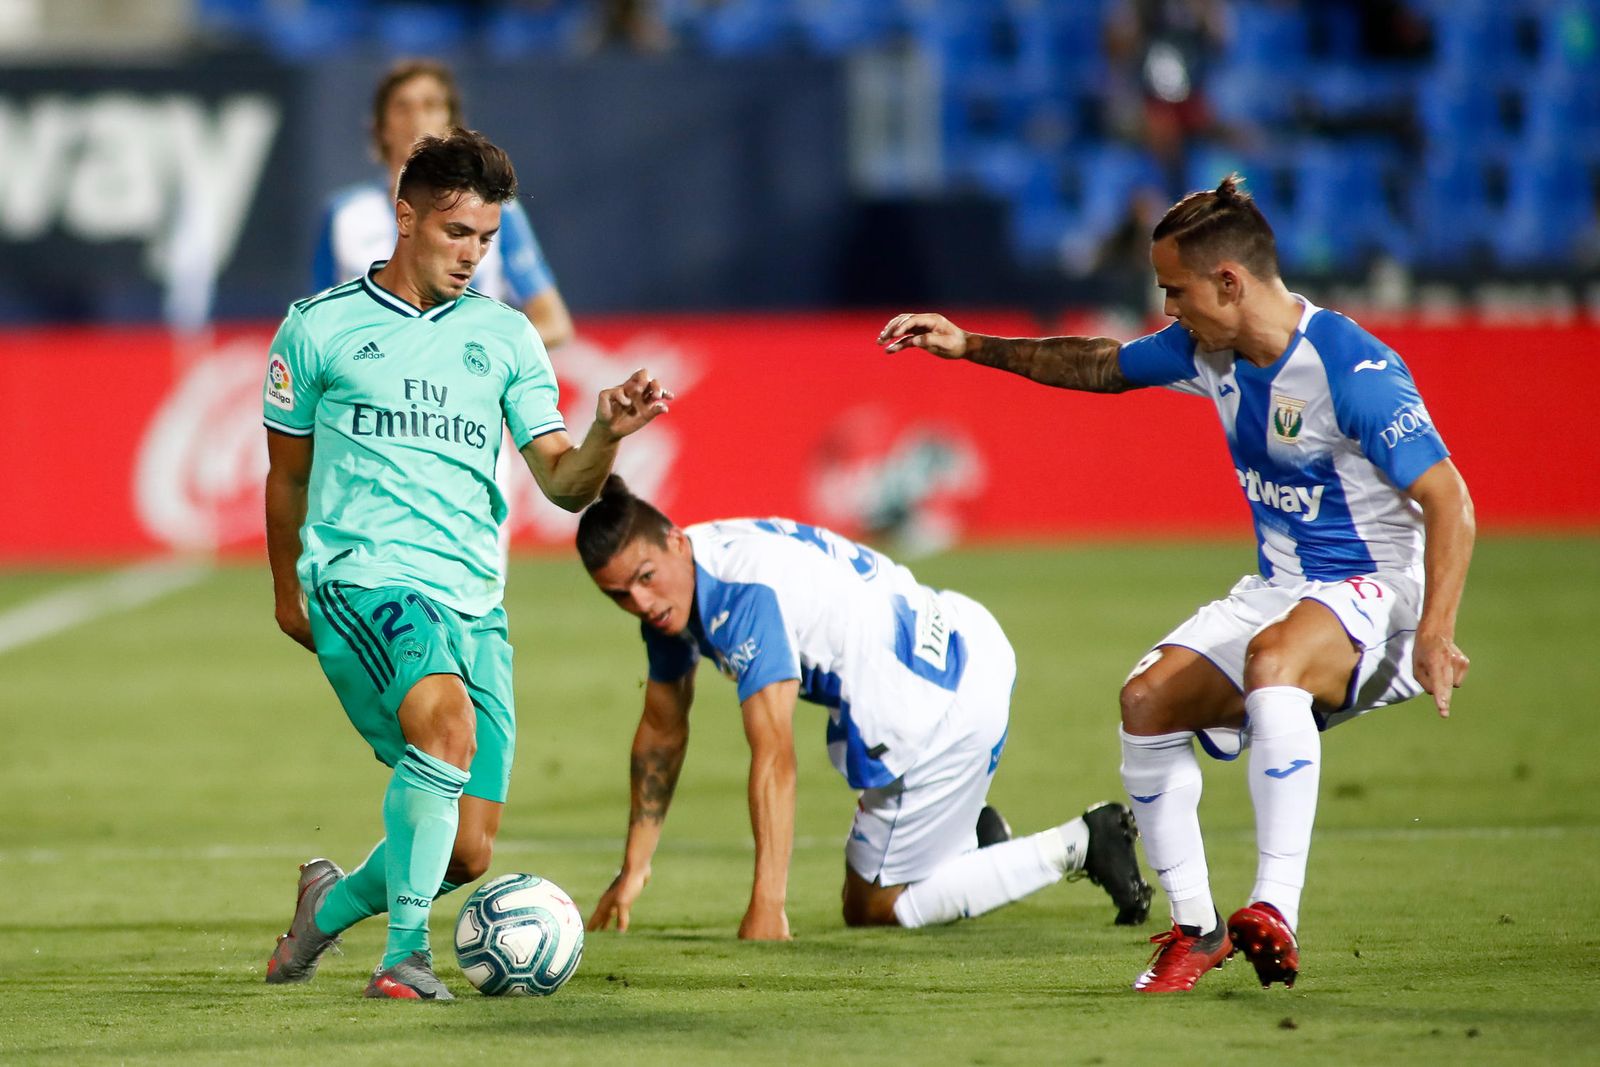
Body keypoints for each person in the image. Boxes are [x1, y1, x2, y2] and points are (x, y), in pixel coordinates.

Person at [877, 174, 1474, 993]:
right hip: (1286, 587)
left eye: (1175, 289)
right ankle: (1194, 929)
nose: (1168, 309)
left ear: (1229, 281)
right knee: (1146, 701)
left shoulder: (1353, 368)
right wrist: (970, 344)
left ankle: (1274, 908)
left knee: (1272, 662)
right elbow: (1097, 364)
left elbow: (1451, 500)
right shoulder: (1211, 351)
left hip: (1379, 590)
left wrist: (1437, 629)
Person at [262, 130, 671, 1000]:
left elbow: (563, 481)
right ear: (404, 217)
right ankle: (404, 960)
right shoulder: (319, 328)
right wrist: (286, 589)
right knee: (444, 727)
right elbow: (287, 474)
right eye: (457, 234)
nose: (474, 255)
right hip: (363, 578)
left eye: (486, 238)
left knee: (467, 849)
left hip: (473, 601)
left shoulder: (506, 336)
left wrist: (603, 433)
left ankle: (326, 910)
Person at [576, 476, 1153, 940]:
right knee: (896, 866)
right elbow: (661, 730)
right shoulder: (688, 572)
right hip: (962, 638)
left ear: (675, 541)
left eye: (645, 580)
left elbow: (774, 756)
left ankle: (1080, 841)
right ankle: (969, 840)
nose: (641, 603)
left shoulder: (740, 596)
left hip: (931, 714)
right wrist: (634, 868)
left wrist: (767, 907)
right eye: (619, 595)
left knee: (872, 905)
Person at [313, 59, 574, 349]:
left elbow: (553, 322)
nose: (417, 120)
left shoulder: (495, 208)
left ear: (452, 123)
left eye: (430, 106)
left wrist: (477, 352)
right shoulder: (344, 215)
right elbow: (320, 327)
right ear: (381, 128)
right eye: (403, 107)